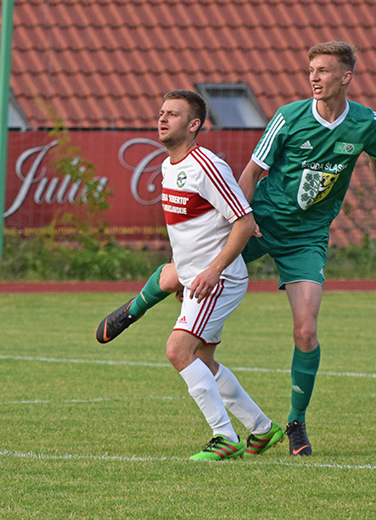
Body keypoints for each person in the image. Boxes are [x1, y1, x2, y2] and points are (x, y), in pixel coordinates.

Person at [97, 41, 376, 456]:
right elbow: (253, 170)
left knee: (306, 331)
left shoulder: (366, 123)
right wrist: (235, 220)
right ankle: (134, 308)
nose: (314, 77)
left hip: (307, 238)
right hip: (262, 223)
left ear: (346, 77)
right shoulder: (289, 117)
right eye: (311, 69)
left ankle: (294, 424)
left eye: (324, 70)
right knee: (186, 272)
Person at [125, 89, 284, 460]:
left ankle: (224, 437)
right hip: (197, 279)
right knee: (204, 360)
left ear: (194, 125)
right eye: (162, 112)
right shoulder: (168, 167)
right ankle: (262, 429)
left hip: (220, 279)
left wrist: (212, 271)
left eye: (174, 114)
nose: (163, 119)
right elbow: (190, 234)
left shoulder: (207, 165)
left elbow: (245, 224)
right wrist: (186, 275)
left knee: (178, 350)